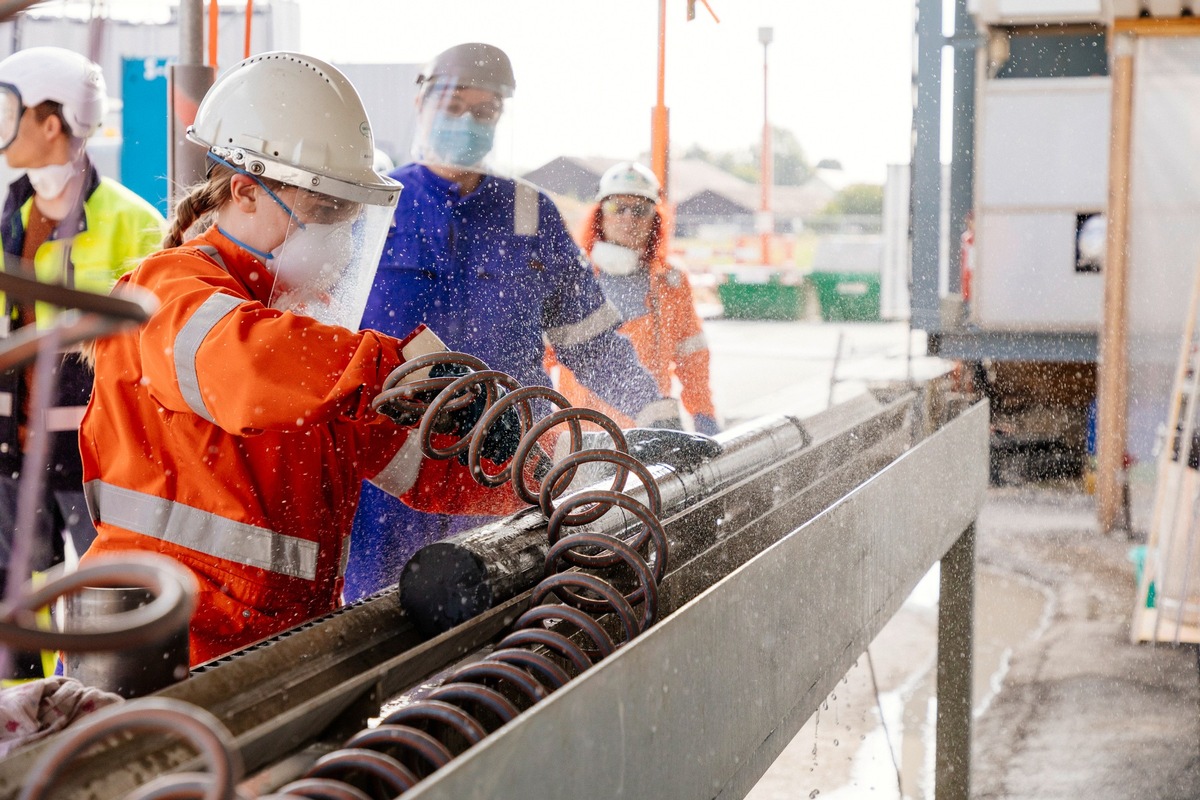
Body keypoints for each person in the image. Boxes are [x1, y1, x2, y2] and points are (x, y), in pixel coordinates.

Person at [77, 51, 522, 666]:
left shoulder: (309, 347)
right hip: (165, 658)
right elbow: (248, 370)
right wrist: (400, 371)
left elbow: (413, 459)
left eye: (348, 220)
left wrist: (530, 469)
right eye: (322, 215)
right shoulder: (164, 294)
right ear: (245, 192)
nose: (337, 240)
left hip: (283, 655)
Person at [345, 42, 680, 601]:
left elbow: (588, 342)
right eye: (456, 106)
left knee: (507, 620)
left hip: (507, 462)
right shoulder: (374, 208)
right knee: (377, 626)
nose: (469, 123)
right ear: (422, 103)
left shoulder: (531, 215)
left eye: (485, 112)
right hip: (389, 473)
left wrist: (654, 406)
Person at [0, 48, 164, 617]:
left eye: (8, 109)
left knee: (106, 597)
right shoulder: (9, 219)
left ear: (51, 122)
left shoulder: (137, 221)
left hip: (98, 456)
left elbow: (155, 349)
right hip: (13, 454)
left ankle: (96, 703)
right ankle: (21, 706)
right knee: (17, 606)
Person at [547, 162, 720, 436]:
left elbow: (693, 358)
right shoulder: (574, 278)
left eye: (640, 209)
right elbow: (543, 357)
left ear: (655, 219)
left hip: (650, 429)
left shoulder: (671, 282)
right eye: (617, 207)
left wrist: (704, 415)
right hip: (584, 437)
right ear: (600, 215)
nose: (628, 218)